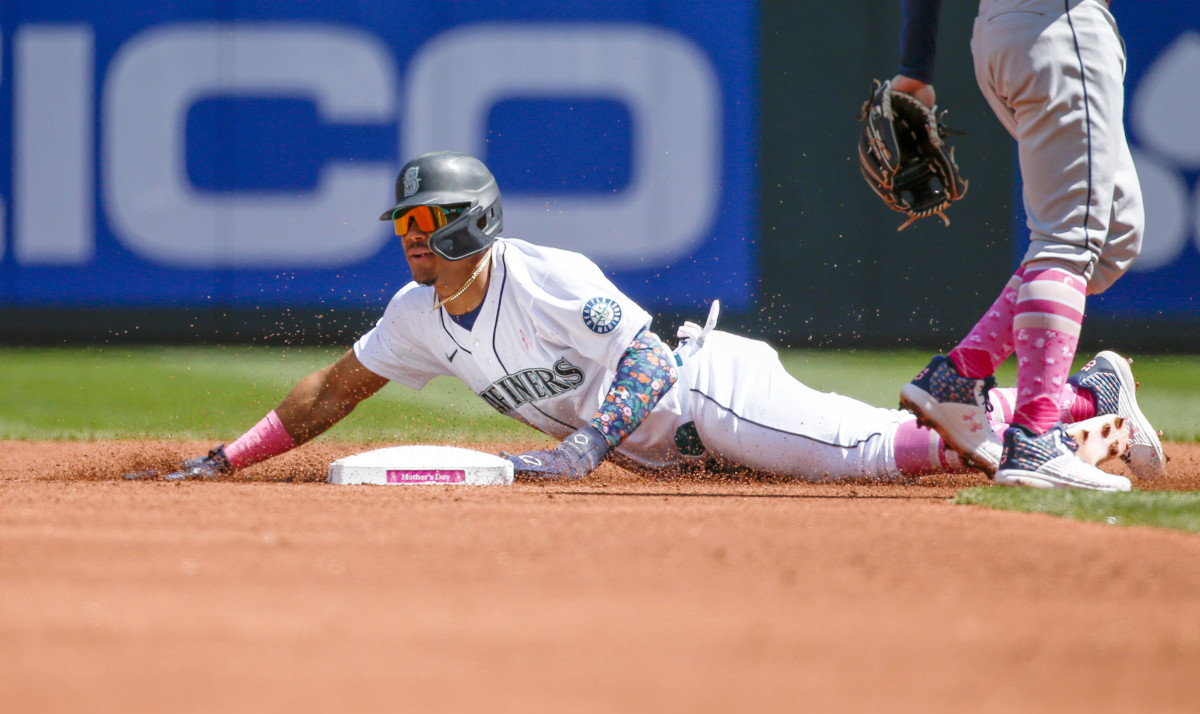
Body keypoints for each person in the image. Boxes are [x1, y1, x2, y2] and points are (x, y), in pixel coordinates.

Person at [140, 152, 1152, 488]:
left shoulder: (541, 276)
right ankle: (1076, 394)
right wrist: (228, 458)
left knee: (888, 456)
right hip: (673, 447)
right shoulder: (417, 315)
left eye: (427, 220)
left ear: (474, 224)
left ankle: (1084, 408)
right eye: (403, 221)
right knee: (899, 445)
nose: (410, 235)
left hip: (709, 393)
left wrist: (584, 443)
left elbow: (647, 357)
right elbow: (332, 390)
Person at [889, 0, 1164, 490]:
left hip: (1004, 32)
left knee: (1113, 236)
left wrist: (915, 67)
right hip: (1059, 26)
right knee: (1067, 241)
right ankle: (1035, 436)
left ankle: (960, 376)